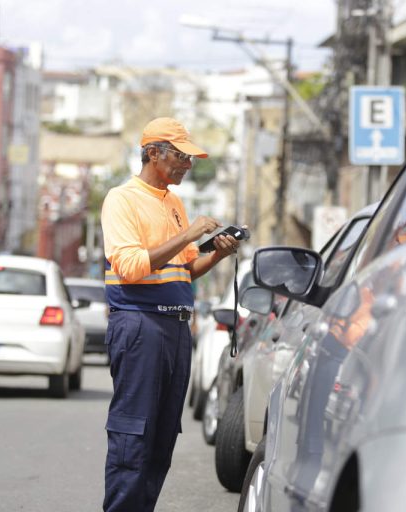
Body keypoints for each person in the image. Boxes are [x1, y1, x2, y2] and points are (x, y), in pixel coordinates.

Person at [100, 117, 243, 511]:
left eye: (190, 158)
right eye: (181, 156)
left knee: (162, 438)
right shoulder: (122, 199)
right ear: (152, 153)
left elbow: (186, 268)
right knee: (135, 436)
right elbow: (129, 267)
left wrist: (218, 252)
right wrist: (188, 234)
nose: (187, 165)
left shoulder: (174, 203)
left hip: (177, 329)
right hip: (140, 325)